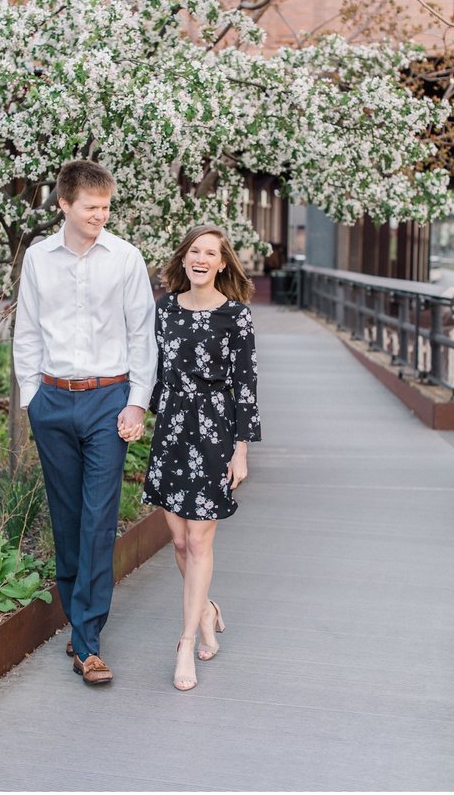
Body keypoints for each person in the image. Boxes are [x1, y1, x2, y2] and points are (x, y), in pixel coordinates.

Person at [14, 159, 157, 685]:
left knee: (99, 519)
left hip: (107, 401)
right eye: (92, 208)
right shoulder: (38, 259)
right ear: (64, 206)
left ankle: (89, 641)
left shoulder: (125, 258)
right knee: (67, 516)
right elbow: (27, 328)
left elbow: (143, 333)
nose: (101, 215)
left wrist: (137, 401)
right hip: (53, 399)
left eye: (106, 207)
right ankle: (79, 620)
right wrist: (32, 397)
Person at [140, 224, 261, 692]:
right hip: (171, 427)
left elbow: (246, 384)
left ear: (222, 263)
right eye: (195, 251)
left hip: (215, 430)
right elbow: (150, 368)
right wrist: (135, 413)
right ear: (185, 258)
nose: (202, 259)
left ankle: (186, 641)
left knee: (199, 542)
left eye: (211, 253)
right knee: (177, 542)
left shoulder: (237, 316)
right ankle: (207, 607)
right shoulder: (165, 308)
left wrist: (241, 448)